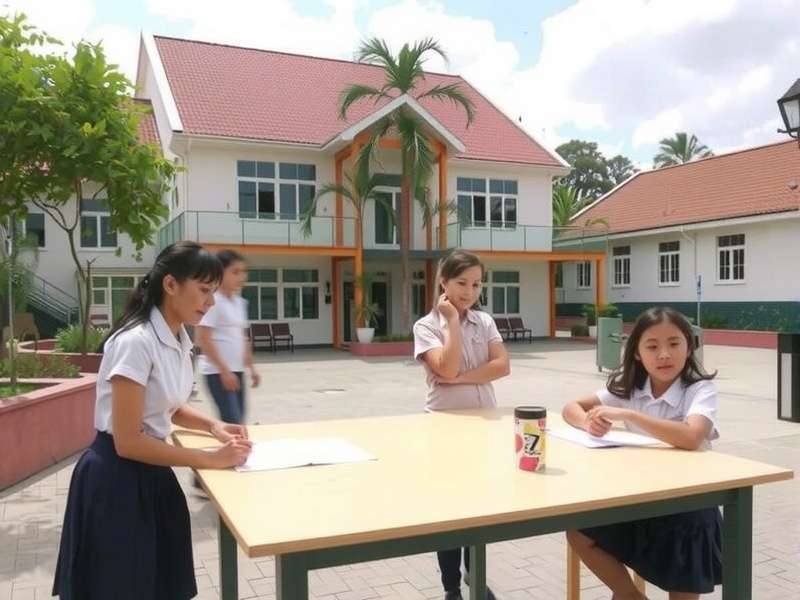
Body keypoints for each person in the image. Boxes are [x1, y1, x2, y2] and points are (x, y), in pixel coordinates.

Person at [53, 241, 252, 600]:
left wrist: (213, 426)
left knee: (158, 583)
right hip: (116, 480)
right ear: (171, 285)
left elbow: (169, 406)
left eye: (213, 291)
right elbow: (127, 441)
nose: (210, 302)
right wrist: (209, 458)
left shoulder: (179, 339)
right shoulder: (136, 342)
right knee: (121, 585)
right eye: (204, 290)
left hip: (152, 473)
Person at [562, 307, 721, 600]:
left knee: (683, 580)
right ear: (636, 352)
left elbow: (691, 436)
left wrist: (628, 415)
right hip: (641, 500)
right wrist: (588, 421)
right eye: (652, 346)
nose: (664, 354)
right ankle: (629, 595)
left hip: (688, 508)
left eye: (674, 344)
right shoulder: (631, 387)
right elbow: (570, 407)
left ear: (689, 347)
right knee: (579, 531)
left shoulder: (699, 389)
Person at [413, 249, 510, 600]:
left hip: (484, 428)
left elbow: (503, 366)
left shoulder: (485, 322)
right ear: (443, 282)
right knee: (451, 512)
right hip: (444, 429)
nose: (469, 291)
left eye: (476, 284)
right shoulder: (426, 327)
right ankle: (451, 588)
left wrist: (458, 378)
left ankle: (475, 573)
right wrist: (451, 321)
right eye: (461, 283)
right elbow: (446, 368)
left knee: (479, 509)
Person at [196, 249, 260, 425]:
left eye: (244, 272)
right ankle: (229, 452)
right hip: (217, 372)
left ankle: (235, 451)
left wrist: (252, 368)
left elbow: (242, 338)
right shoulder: (212, 301)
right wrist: (224, 370)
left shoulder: (239, 302)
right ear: (220, 272)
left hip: (236, 371)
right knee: (232, 421)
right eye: (235, 272)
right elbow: (203, 338)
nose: (242, 277)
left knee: (239, 421)